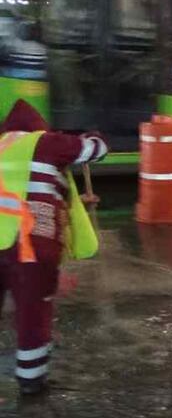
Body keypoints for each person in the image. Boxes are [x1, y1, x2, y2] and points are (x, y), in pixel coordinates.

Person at [0, 99, 107, 396]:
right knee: (32, 315)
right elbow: (97, 150)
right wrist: (92, 135)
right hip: (30, 247)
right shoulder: (46, 143)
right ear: (37, 127)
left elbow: (32, 188)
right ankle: (32, 384)